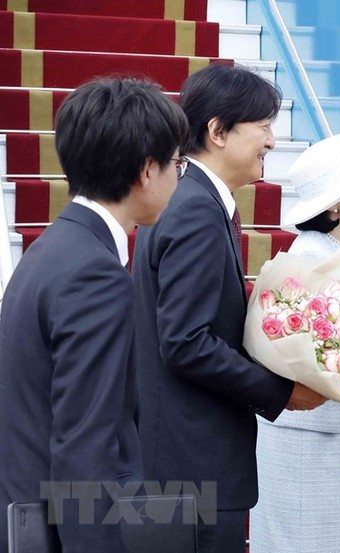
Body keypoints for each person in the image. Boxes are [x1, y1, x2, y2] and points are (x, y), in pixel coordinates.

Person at [131, 64, 326, 553]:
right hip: (193, 464)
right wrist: (282, 393)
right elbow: (185, 342)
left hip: (180, 457)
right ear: (217, 131)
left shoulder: (190, 198)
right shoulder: (195, 207)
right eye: (262, 126)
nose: (272, 141)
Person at [0, 78, 187, 553]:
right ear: (147, 170)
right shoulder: (95, 273)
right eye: (176, 164)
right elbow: (84, 446)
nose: (176, 177)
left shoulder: (53, 247)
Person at [251, 133, 340, 553]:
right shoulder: (313, 258)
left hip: (315, 432)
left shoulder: (327, 250)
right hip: (303, 435)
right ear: (334, 203)